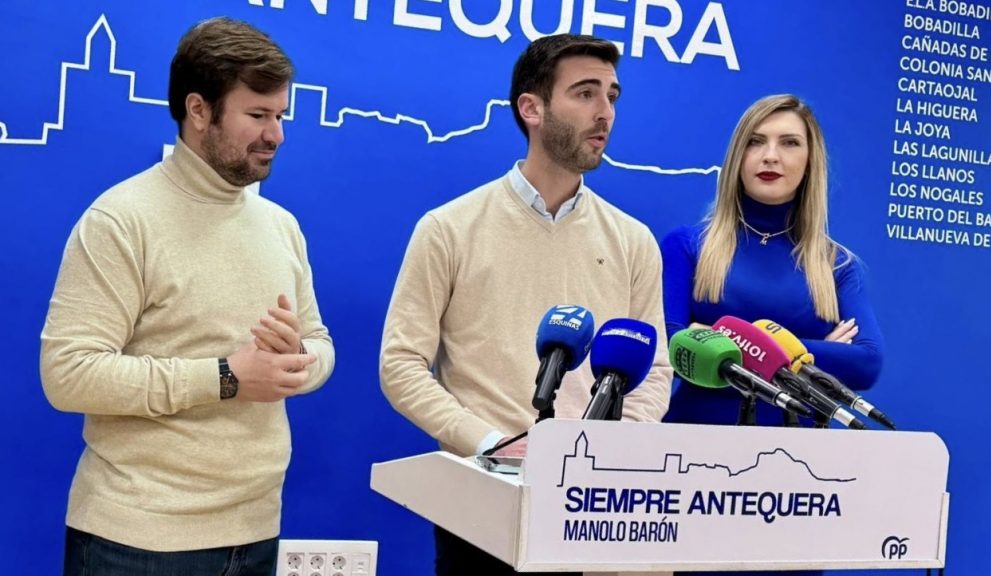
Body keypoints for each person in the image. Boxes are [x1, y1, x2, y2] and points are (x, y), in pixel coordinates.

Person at [40, 18, 334, 576]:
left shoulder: (282, 226)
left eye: (280, 116)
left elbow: (319, 344)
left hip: (256, 531)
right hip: (134, 541)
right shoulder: (120, 221)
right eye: (257, 116)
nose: (277, 135)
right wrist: (226, 377)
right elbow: (68, 373)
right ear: (199, 110)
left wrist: (301, 363)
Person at [379, 34, 671, 575]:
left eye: (612, 95)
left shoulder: (634, 241)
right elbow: (400, 366)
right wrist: (492, 447)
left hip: (596, 507)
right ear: (531, 108)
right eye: (585, 94)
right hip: (480, 504)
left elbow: (654, 369)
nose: (604, 112)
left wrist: (608, 449)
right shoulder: (448, 229)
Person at [662, 93, 883, 428]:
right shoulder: (686, 246)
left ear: (811, 161)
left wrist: (715, 337)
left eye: (790, 143)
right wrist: (807, 356)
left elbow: (867, 363)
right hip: (692, 450)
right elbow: (670, 345)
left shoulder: (837, 265)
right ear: (738, 156)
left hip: (799, 461)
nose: (770, 156)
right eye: (755, 142)